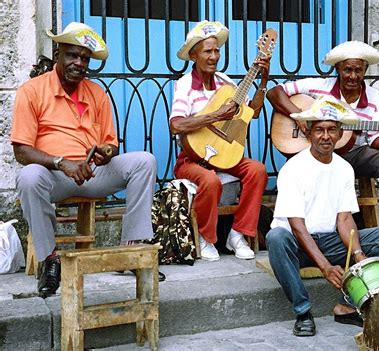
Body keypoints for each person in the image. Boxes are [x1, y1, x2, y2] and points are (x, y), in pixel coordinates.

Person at [11, 22, 161, 298]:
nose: (79, 63)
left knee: (145, 160)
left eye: (84, 58)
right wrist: (61, 162)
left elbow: (111, 144)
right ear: (58, 54)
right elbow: (21, 151)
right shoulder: (32, 91)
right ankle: (50, 261)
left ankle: (131, 250)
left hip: (92, 173)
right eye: (72, 55)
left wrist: (106, 153)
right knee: (29, 177)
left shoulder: (96, 93)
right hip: (55, 176)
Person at [265, 100, 379, 336]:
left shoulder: (344, 168)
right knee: (276, 237)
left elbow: (344, 219)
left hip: (330, 241)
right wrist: (326, 267)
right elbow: (297, 226)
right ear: (308, 132)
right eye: (319, 129)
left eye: (331, 130)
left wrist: (358, 255)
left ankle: (347, 305)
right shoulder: (293, 168)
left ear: (340, 133)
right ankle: (303, 311)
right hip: (297, 245)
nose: (325, 136)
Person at [266, 40, 379, 254]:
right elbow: (274, 92)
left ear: (365, 70)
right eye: (347, 69)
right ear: (337, 69)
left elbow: (376, 140)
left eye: (358, 70)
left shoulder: (373, 98)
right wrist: (298, 115)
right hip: (315, 155)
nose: (353, 76)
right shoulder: (318, 87)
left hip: (352, 154)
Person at [169, 21, 269, 261]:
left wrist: (263, 80)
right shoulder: (185, 85)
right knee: (209, 180)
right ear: (193, 55)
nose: (214, 56)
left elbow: (251, 112)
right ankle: (206, 238)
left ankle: (237, 234)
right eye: (207, 51)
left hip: (224, 157)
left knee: (257, 170)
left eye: (216, 51)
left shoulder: (226, 83)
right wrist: (215, 115)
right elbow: (176, 125)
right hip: (192, 159)